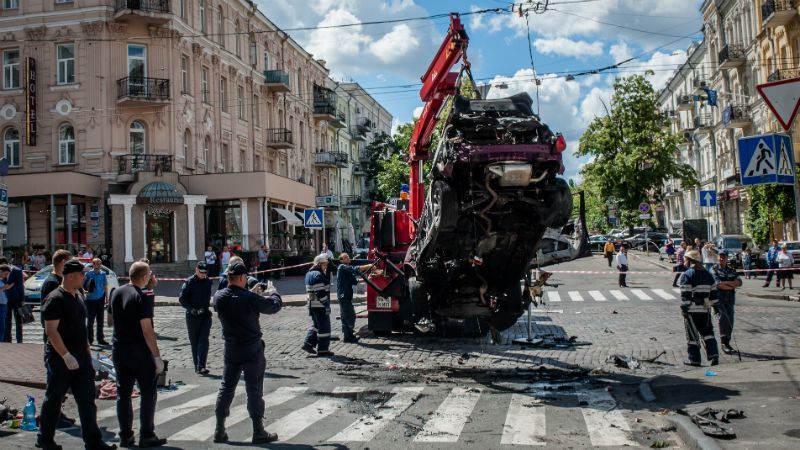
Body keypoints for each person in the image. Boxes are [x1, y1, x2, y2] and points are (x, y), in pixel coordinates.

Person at [37, 259, 116, 450]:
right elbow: (51, 331)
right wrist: (65, 355)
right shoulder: (55, 298)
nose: (85, 277)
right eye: (82, 274)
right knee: (54, 400)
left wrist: (88, 354)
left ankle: (94, 442)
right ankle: (45, 439)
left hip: (81, 357)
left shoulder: (79, 295)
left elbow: (81, 328)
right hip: (60, 359)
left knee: (87, 401)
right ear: (71, 276)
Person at [212, 261, 282, 444]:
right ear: (243, 277)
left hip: (231, 347)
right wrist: (273, 291)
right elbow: (273, 306)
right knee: (254, 390)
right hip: (251, 348)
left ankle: (219, 430)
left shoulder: (219, 297)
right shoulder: (248, 298)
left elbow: (234, 298)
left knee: (226, 388)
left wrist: (249, 294)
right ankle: (258, 431)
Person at [110, 261, 167, 448]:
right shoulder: (141, 297)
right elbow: (147, 331)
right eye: (149, 274)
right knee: (148, 392)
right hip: (139, 351)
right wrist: (157, 357)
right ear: (144, 277)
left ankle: (125, 435)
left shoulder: (116, 293)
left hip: (119, 349)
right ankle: (147, 434)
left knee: (123, 394)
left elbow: (110, 321)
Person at [677, 250, 719, 367]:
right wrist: (716, 307)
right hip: (705, 310)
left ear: (691, 261)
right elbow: (714, 294)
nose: (684, 261)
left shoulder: (687, 275)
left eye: (686, 259)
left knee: (692, 336)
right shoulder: (708, 275)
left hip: (692, 311)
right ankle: (714, 354)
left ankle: (694, 360)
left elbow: (685, 295)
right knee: (708, 333)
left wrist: (684, 309)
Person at [179, 262, 213, 375]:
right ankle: (197, 366)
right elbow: (182, 299)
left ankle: (201, 365)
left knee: (203, 340)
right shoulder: (189, 282)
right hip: (192, 315)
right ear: (196, 270)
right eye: (201, 272)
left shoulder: (208, 281)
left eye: (205, 272)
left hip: (205, 315)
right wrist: (190, 309)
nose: (203, 274)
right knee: (194, 342)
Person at [335, 253, 371, 343]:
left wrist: (368, 279)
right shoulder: (342, 267)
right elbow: (355, 269)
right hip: (344, 296)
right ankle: (348, 336)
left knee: (345, 316)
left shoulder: (346, 270)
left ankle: (348, 336)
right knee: (350, 316)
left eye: (347, 256)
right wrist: (369, 265)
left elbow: (355, 281)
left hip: (345, 296)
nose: (347, 257)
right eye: (345, 257)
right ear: (341, 260)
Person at [302, 254, 333, 356]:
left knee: (316, 326)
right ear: (319, 264)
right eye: (324, 265)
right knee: (324, 328)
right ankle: (323, 350)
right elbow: (320, 292)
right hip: (320, 306)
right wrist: (326, 304)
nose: (326, 267)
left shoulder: (309, 273)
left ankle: (308, 343)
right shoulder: (318, 275)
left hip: (312, 304)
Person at [712, 251, 742, 355]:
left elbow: (739, 282)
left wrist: (726, 283)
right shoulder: (714, 269)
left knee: (730, 319)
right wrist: (731, 285)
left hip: (730, 297)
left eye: (724, 257)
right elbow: (718, 284)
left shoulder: (731, 270)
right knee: (723, 318)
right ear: (718, 257)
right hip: (718, 297)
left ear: (727, 258)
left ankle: (727, 342)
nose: (721, 259)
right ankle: (724, 343)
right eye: (720, 257)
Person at [84, 258, 109, 346]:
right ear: (93, 264)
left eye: (100, 264)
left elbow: (105, 285)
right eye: (97, 264)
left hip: (100, 299)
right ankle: (89, 340)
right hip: (90, 300)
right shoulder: (88, 274)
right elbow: (83, 285)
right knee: (90, 321)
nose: (99, 266)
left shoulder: (103, 274)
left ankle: (100, 339)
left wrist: (107, 298)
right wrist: (85, 292)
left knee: (100, 320)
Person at [1, 256, 25, 343]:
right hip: (5, 299)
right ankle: (7, 339)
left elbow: (20, 286)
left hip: (17, 298)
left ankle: (19, 340)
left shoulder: (17, 271)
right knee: (7, 320)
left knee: (18, 321)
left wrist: (22, 299)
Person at [0, 265, 10, 342]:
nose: (6, 276)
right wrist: (4, 287)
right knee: (1, 326)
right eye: (5, 274)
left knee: (2, 326)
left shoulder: (2, 280)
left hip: (3, 305)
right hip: (1, 305)